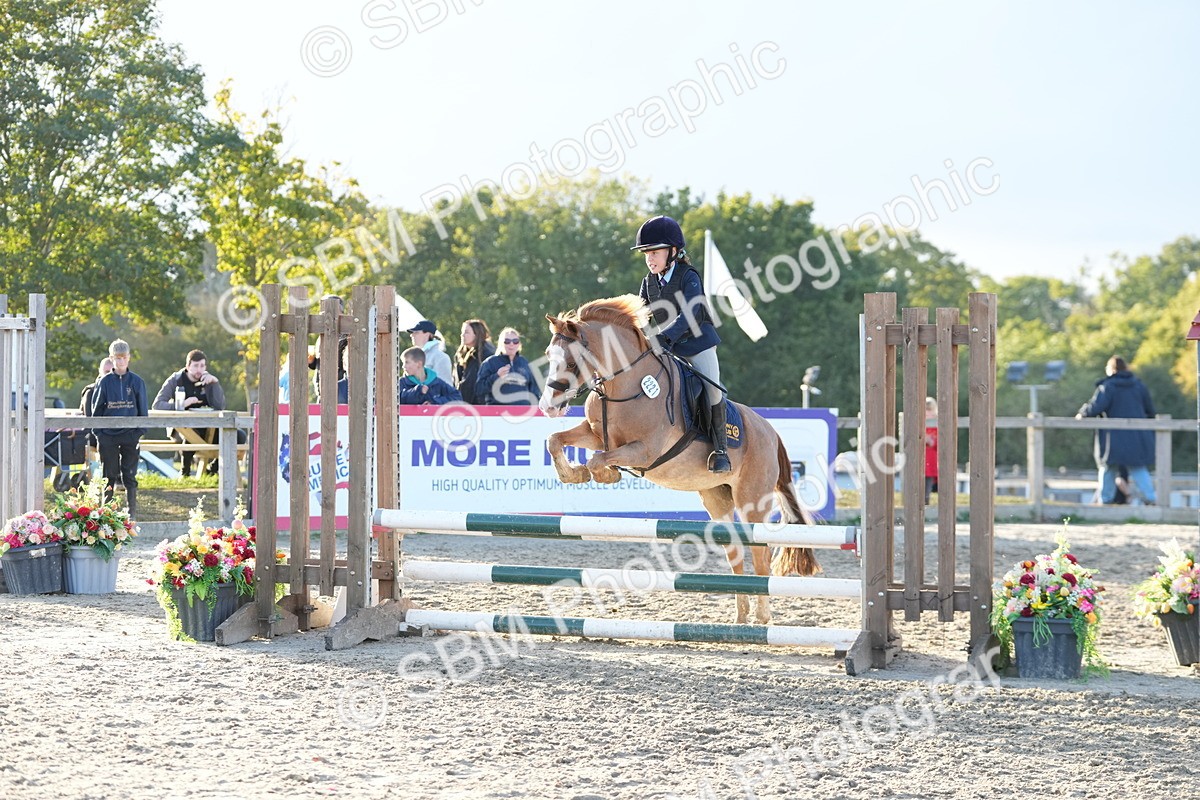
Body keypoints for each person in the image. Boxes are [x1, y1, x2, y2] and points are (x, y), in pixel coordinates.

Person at [631, 215, 729, 472]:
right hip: (667, 346)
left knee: (712, 389)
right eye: (646, 253)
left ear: (673, 252)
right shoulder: (648, 282)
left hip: (697, 344)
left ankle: (721, 450)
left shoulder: (688, 275)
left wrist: (664, 336)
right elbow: (639, 315)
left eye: (655, 252)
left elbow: (690, 313)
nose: (649, 259)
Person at [1076, 355, 1157, 505]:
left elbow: (1095, 407)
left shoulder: (1108, 386)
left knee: (1108, 468)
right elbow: (1150, 411)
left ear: (1111, 369)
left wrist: (1082, 413)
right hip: (1137, 437)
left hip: (1111, 438)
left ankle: (1105, 501)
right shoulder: (1139, 386)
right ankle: (1151, 498)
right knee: (1138, 467)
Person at [88, 339, 149, 517]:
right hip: (108, 436)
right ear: (111, 358)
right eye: (117, 358)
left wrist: (138, 433)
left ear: (129, 358)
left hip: (130, 435)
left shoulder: (137, 382)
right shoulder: (105, 382)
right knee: (109, 475)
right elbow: (96, 409)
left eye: (123, 357)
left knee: (129, 475)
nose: (120, 361)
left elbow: (142, 411)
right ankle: (106, 512)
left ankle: (132, 513)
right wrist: (99, 434)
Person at [152, 349, 227, 477]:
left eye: (202, 366)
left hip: (208, 428)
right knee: (191, 433)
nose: (199, 370)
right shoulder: (175, 380)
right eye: (196, 366)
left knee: (237, 435)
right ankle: (184, 471)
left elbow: (220, 406)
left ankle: (213, 469)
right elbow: (157, 405)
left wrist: (215, 383)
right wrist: (182, 404)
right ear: (187, 366)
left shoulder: (208, 380)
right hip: (181, 428)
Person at [476, 327, 539, 405]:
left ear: (519, 344)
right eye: (507, 341)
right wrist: (497, 376)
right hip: (497, 413)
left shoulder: (524, 362)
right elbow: (479, 389)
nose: (511, 344)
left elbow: (534, 391)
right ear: (501, 343)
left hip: (523, 413)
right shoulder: (490, 362)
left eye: (515, 341)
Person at [399, 347, 463, 405]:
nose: (403, 366)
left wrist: (434, 402)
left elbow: (457, 397)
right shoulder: (401, 383)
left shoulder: (437, 382)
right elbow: (397, 399)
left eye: (406, 362)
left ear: (419, 364)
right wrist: (418, 391)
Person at [454, 319, 495, 404]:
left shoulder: (487, 355)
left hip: (481, 406)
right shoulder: (462, 354)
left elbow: (475, 384)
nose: (462, 335)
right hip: (465, 404)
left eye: (466, 332)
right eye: (462, 332)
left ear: (476, 334)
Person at [407, 319, 454, 384]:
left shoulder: (441, 357)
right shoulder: (414, 356)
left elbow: (445, 387)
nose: (411, 335)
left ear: (427, 334)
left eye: (416, 332)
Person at [924, 396, 939, 503]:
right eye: (926, 410)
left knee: (927, 484)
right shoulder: (919, 425)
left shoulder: (936, 426)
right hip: (919, 461)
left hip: (931, 460)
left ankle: (926, 501)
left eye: (930, 410)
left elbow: (939, 443)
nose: (928, 413)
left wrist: (931, 440)